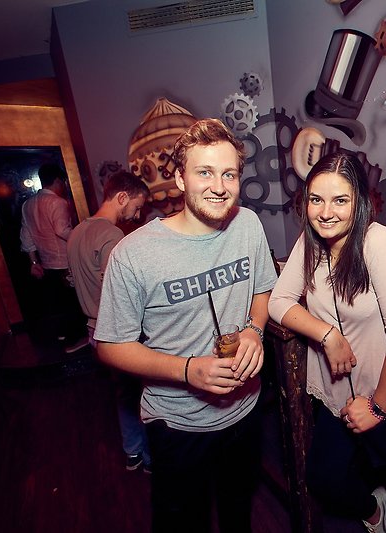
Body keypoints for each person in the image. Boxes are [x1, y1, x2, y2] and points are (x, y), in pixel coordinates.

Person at [94, 118, 278, 533]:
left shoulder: (247, 224)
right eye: (205, 172)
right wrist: (187, 370)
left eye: (229, 174)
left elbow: (263, 289)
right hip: (178, 422)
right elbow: (111, 346)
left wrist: (254, 330)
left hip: (245, 412)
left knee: (238, 514)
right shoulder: (134, 254)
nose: (219, 186)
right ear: (180, 178)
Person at [268, 152, 386, 532]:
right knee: (324, 477)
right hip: (341, 396)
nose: (325, 212)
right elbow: (279, 302)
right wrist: (327, 334)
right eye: (316, 199)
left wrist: (378, 408)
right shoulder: (310, 242)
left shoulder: (381, 246)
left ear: (360, 201)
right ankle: (372, 510)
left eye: (340, 200)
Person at [66, 170, 152, 472]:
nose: (137, 215)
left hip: (93, 329)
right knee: (144, 396)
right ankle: (150, 458)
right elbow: (118, 291)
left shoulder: (77, 232)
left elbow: (74, 280)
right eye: (137, 207)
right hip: (117, 332)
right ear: (122, 197)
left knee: (124, 395)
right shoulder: (112, 236)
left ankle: (132, 450)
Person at [20, 163, 88, 353]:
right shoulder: (57, 202)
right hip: (64, 261)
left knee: (59, 301)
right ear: (58, 180)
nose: (64, 185)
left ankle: (64, 334)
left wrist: (34, 262)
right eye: (63, 181)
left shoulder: (28, 204)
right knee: (74, 301)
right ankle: (76, 340)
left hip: (46, 262)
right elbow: (62, 230)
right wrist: (85, 238)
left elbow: (26, 236)